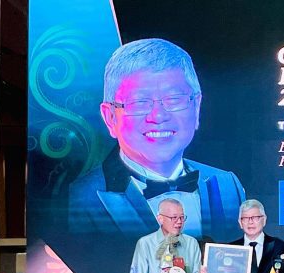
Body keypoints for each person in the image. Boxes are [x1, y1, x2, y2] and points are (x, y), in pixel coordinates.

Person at [69, 37, 246, 243]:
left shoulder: (227, 185)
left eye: (174, 99)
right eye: (139, 102)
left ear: (196, 106)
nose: (158, 116)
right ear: (110, 117)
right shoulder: (78, 199)